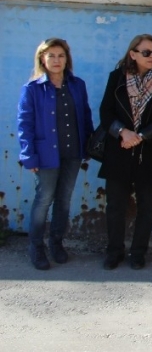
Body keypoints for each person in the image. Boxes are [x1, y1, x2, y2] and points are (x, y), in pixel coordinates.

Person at [98, 34, 152, 270]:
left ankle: (138, 252)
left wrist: (140, 136)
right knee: (115, 206)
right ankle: (114, 251)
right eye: (146, 52)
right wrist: (123, 132)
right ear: (133, 54)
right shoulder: (117, 77)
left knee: (147, 205)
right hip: (119, 149)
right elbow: (105, 112)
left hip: (149, 151)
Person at [17, 38, 94, 270]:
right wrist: (28, 154)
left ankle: (57, 244)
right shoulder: (32, 89)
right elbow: (25, 123)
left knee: (64, 200)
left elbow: (85, 115)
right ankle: (36, 247)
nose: (56, 60)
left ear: (67, 58)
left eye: (61, 55)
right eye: (51, 55)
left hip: (72, 152)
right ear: (42, 58)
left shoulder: (77, 85)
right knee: (44, 200)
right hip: (45, 154)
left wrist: (88, 145)